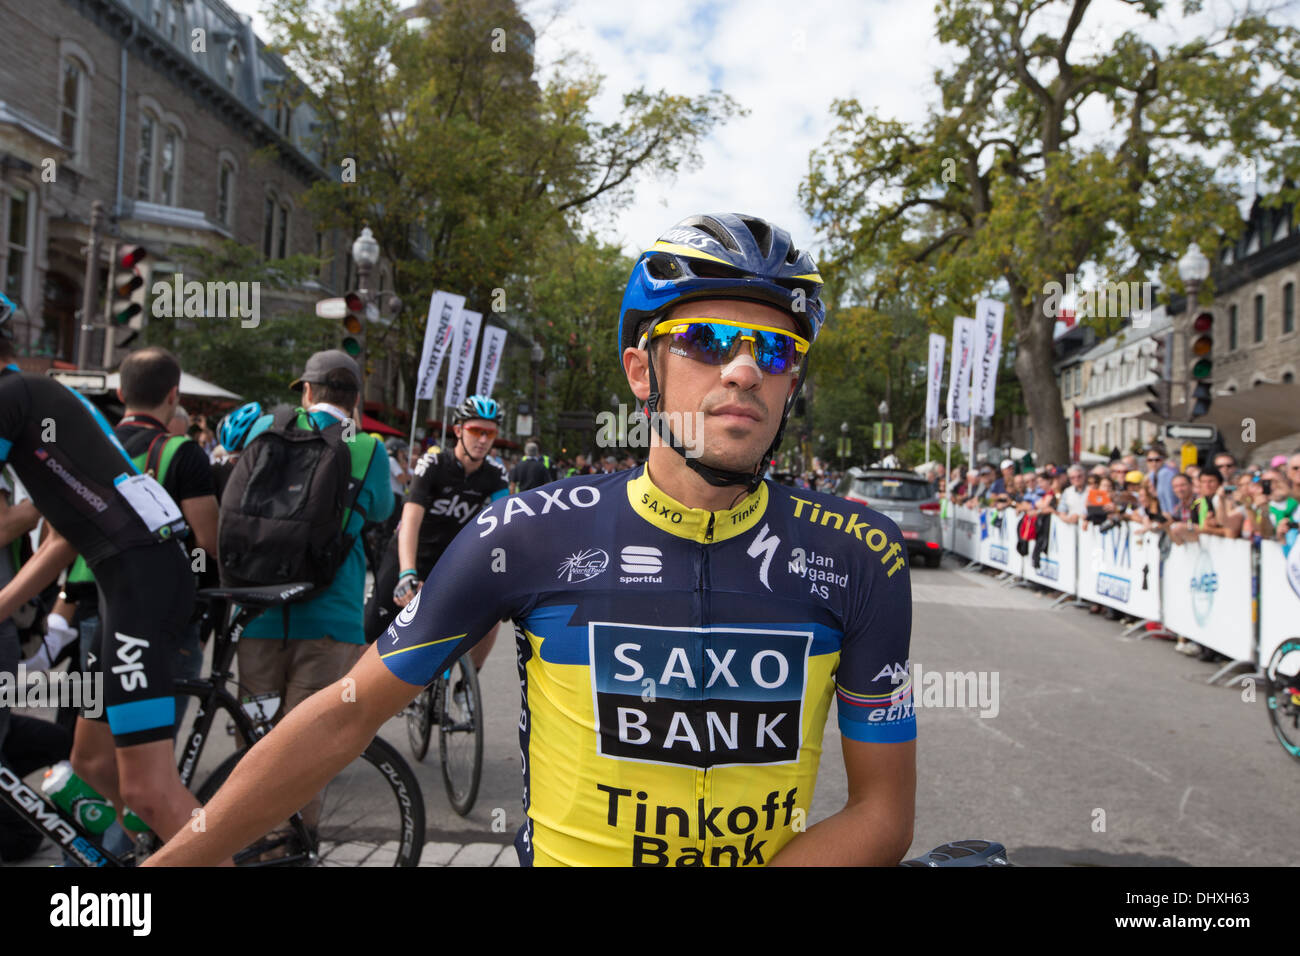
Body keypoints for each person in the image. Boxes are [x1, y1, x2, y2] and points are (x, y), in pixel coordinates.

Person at [148, 211, 915, 868]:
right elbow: (347, 714)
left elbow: (883, 814)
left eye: (775, 351)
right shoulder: (532, 531)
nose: (745, 370)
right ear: (641, 372)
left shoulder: (860, 556)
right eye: (709, 341)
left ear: (791, 385)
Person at [0, 334, 213, 855]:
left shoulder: (12, 397)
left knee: (147, 790)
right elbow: (65, 535)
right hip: (124, 582)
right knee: (92, 763)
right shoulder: (32, 401)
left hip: (141, 582)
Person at [233, 350, 392, 837]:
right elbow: (382, 510)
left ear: (306, 391)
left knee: (256, 743)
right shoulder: (367, 448)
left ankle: (242, 841)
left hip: (258, 611)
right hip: (330, 616)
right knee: (307, 749)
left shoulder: (265, 427)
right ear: (356, 400)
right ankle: (294, 846)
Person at [364, 395, 509, 663]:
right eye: (476, 430)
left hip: (451, 561)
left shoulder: (496, 474)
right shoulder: (432, 465)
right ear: (457, 430)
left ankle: (464, 689)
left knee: (491, 618)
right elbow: (410, 522)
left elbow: (506, 528)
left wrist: (509, 576)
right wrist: (407, 573)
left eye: (490, 433)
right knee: (371, 634)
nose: (483, 440)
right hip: (409, 553)